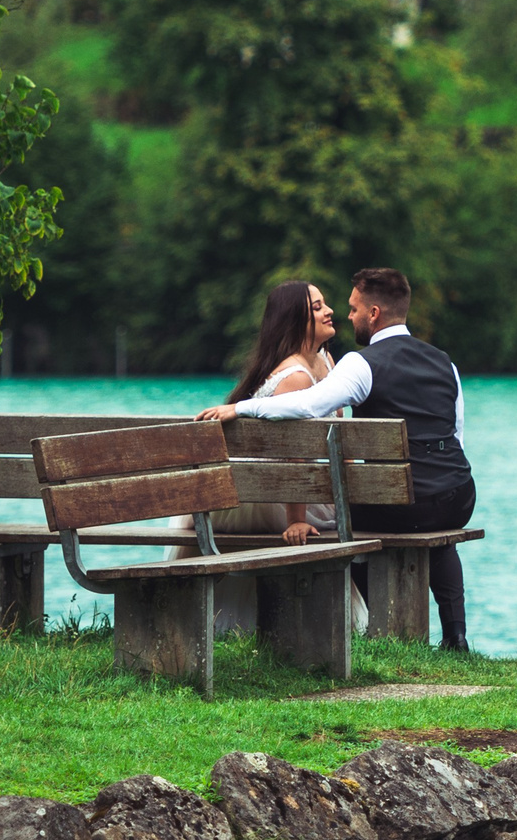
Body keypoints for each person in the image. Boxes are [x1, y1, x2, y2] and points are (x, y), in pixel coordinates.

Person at [199, 265, 476, 652]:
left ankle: (368, 629)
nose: (348, 315)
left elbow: (310, 405)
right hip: (457, 499)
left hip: (398, 506)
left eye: (354, 308)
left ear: (374, 314)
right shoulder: (445, 362)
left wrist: (243, 408)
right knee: (439, 534)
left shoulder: (361, 364)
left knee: (354, 516)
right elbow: (457, 432)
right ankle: (456, 636)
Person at [187, 281, 336, 549]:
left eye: (324, 304)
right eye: (317, 307)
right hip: (267, 492)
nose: (329, 311)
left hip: (301, 485)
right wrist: (296, 521)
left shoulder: (324, 359)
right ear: (295, 319)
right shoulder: (296, 378)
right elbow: (293, 452)